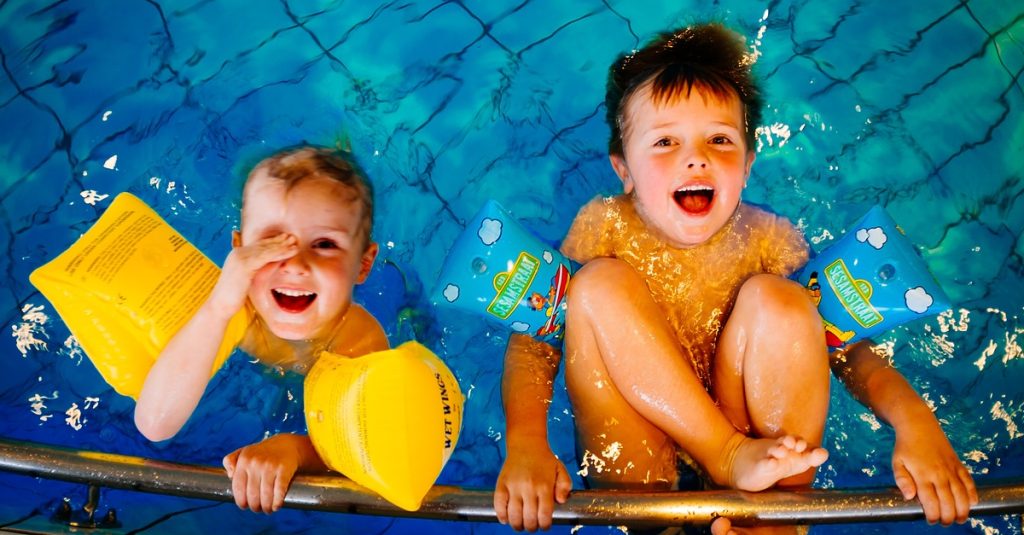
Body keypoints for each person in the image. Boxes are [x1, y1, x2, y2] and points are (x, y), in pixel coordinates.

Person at [492, 23, 977, 533]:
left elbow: (845, 348)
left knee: (786, 302)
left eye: (719, 139)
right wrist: (527, 442)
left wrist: (915, 421)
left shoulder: (770, 238)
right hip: (641, 465)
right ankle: (714, 474)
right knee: (596, 286)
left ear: (746, 165)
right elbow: (535, 341)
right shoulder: (603, 224)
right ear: (624, 169)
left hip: (754, 450)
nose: (695, 157)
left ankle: (773, 516)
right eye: (664, 142)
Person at [135, 146, 390, 513]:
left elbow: (365, 445)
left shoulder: (359, 341)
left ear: (363, 264)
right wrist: (218, 308)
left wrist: (296, 449)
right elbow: (155, 424)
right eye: (273, 241)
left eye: (324, 244)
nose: (296, 264)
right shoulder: (233, 308)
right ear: (239, 250)